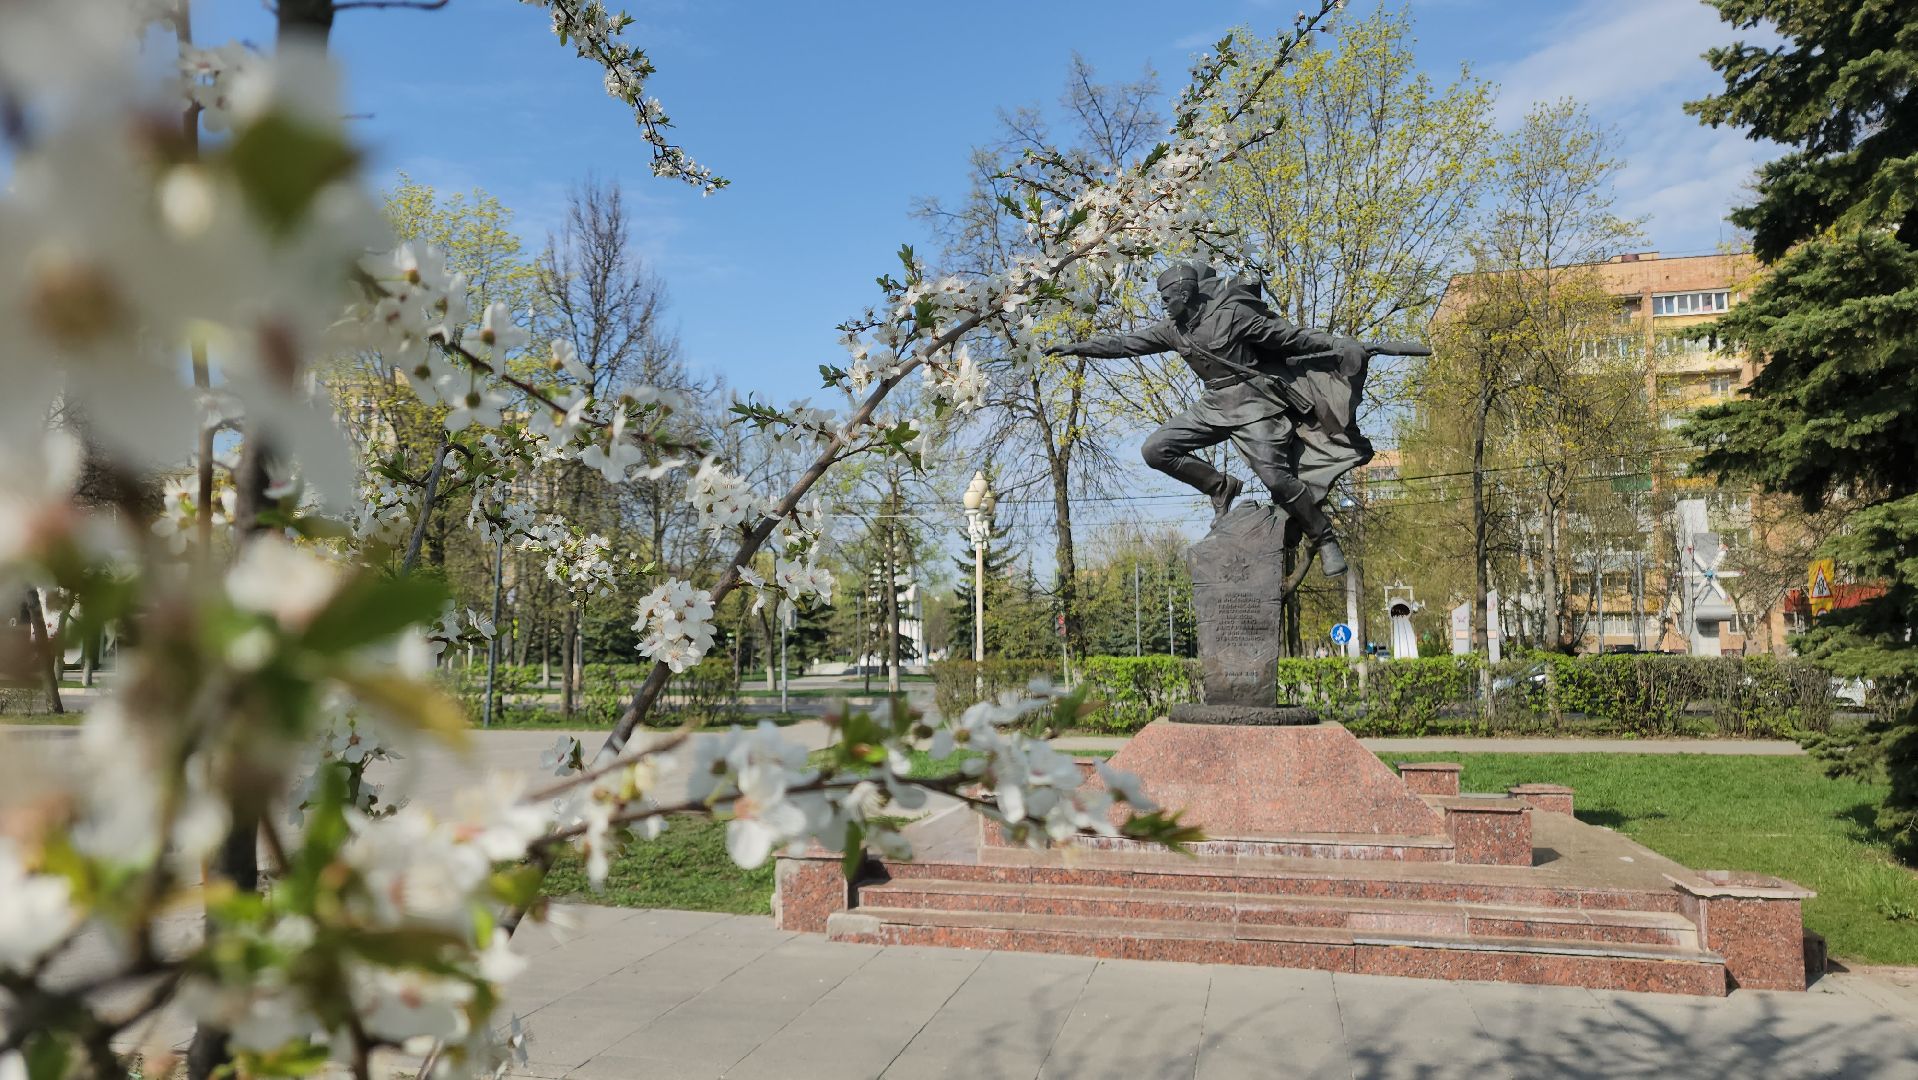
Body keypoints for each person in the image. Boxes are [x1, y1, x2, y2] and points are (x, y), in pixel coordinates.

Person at [1046, 262, 1360, 576]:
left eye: (1167, 298)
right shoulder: (1173, 329)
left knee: (1276, 479)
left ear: (1185, 295)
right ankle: (1220, 486)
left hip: (1253, 403)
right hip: (1213, 405)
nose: (1163, 305)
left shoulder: (1232, 315)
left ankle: (1324, 538)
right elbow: (1125, 344)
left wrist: (1336, 344)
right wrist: (1077, 347)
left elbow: (1290, 337)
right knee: (1155, 450)